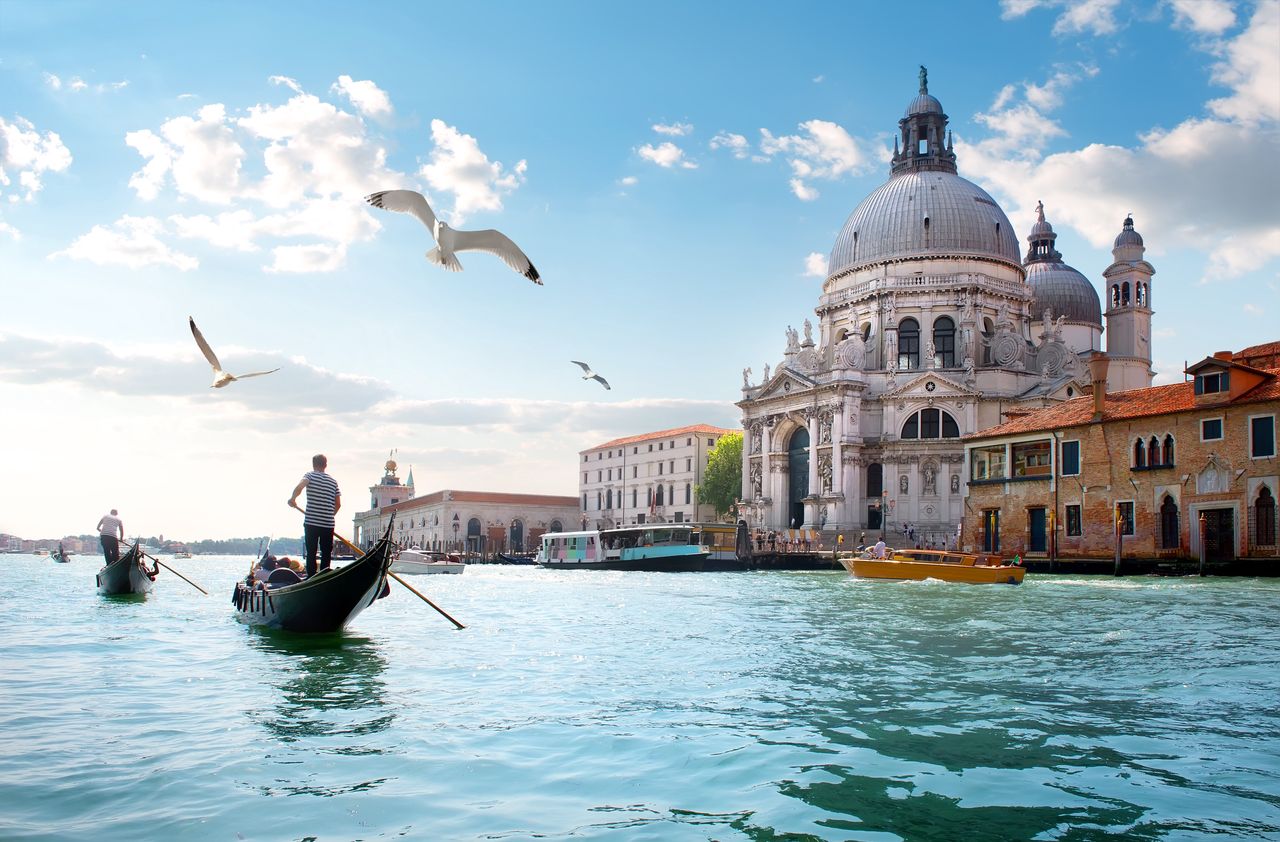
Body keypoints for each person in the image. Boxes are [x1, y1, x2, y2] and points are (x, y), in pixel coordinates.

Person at [289, 454, 341, 577]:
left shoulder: (309, 475)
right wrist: (328, 515)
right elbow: (338, 504)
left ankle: (311, 577)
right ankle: (324, 576)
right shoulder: (333, 481)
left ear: (313, 464)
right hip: (328, 523)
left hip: (311, 521)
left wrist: (292, 498)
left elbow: (299, 487)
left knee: (311, 552)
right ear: (326, 465)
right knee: (326, 553)